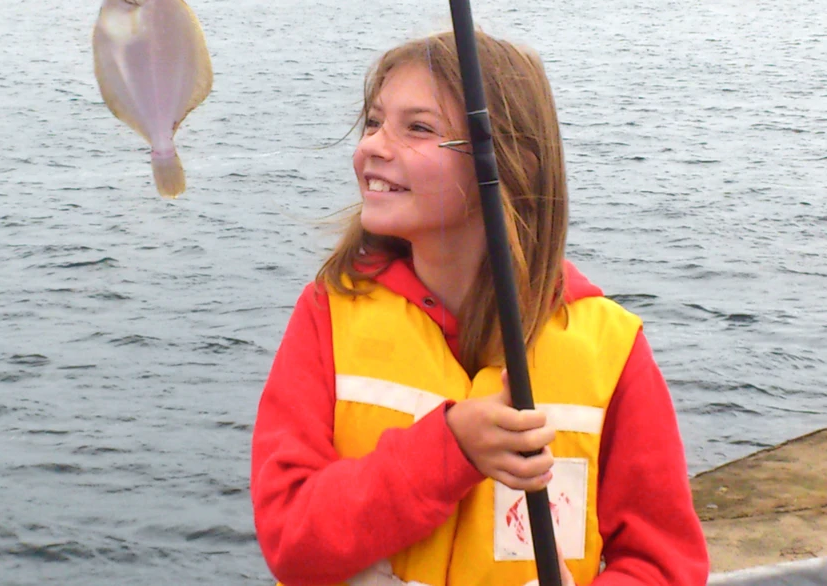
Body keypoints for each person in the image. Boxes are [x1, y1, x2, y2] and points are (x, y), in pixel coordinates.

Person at [251, 32, 708, 586]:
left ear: (511, 162)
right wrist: (448, 450)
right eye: (373, 122)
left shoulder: (611, 347)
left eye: (417, 127)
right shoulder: (328, 312)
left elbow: (664, 564)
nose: (374, 145)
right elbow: (290, 541)